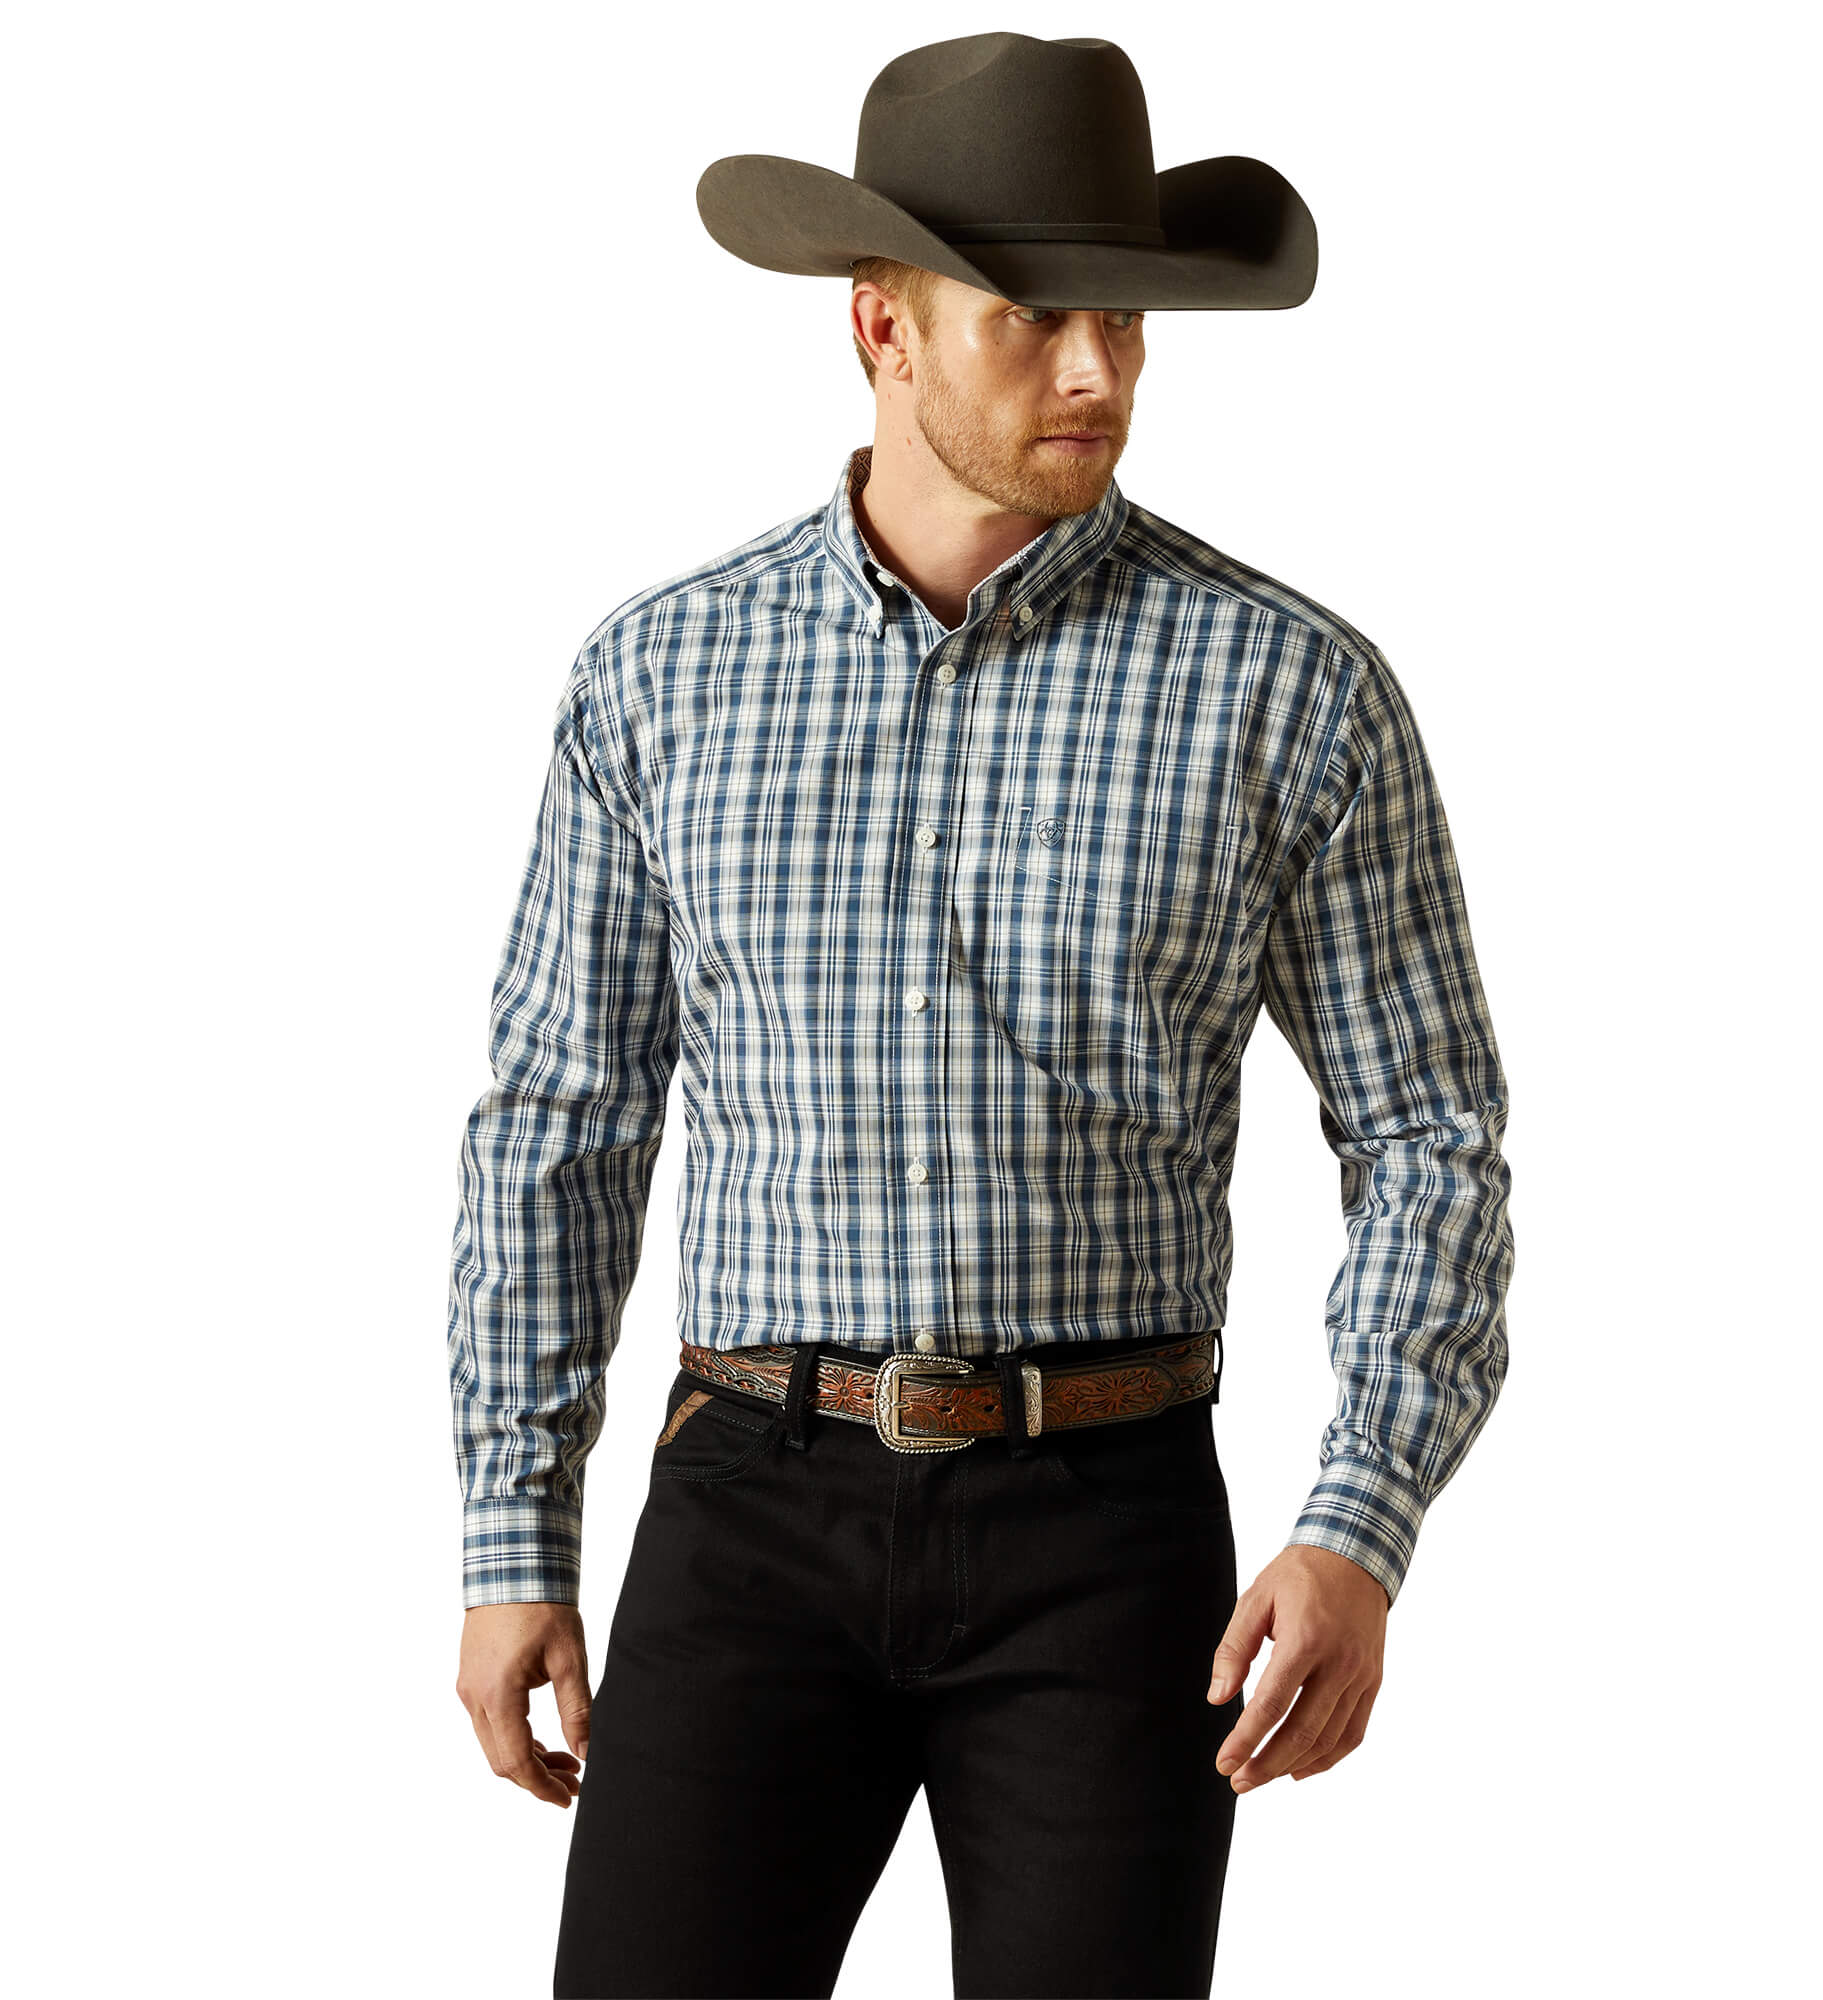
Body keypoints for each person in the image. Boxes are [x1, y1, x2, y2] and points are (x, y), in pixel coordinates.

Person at [447, 32, 1514, 2000]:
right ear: (882, 326)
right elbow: (559, 1121)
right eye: (1032, 317)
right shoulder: (658, 682)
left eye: (1123, 315)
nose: (1098, 371)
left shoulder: (1289, 694)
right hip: (747, 1510)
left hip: (1108, 1534)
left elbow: (1430, 1138)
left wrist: (1359, 1522)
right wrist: (513, 1534)